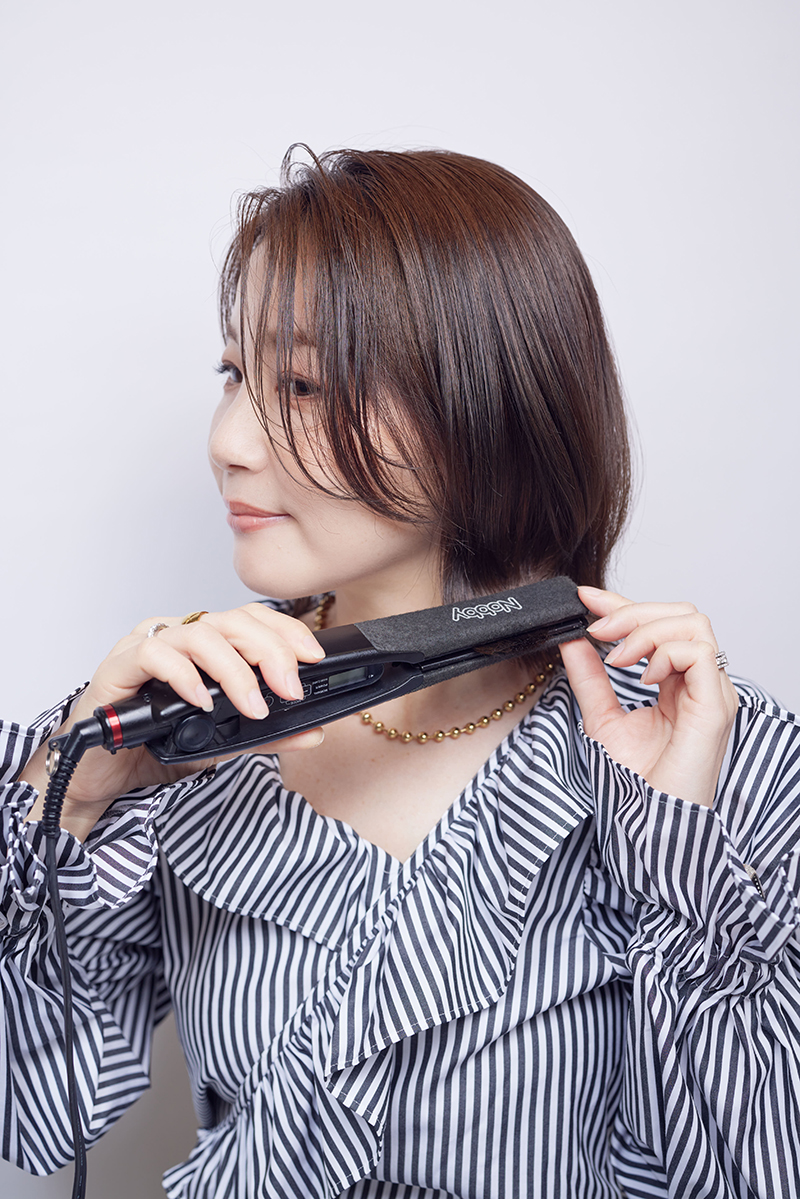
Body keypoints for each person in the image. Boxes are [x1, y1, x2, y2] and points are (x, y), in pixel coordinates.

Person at [2, 147, 799, 1199]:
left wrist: (671, 849)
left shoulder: (714, 748)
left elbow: (756, 1167)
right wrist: (64, 796)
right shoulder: (177, 726)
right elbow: (32, 1112)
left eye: (300, 384)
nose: (230, 441)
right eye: (233, 375)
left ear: (484, 405)